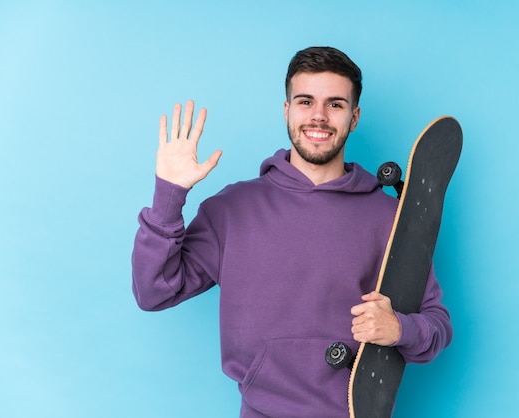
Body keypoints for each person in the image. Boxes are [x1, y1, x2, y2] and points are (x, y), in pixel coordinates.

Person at [132, 46, 452, 418]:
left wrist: (399, 329)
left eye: (335, 104)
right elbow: (152, 291)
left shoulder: (387, 216)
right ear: (286, 110)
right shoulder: (232, 209)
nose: (318, 116)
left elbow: (437, 326)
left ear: (354, 117)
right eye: (305, 101)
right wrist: (169, 194)